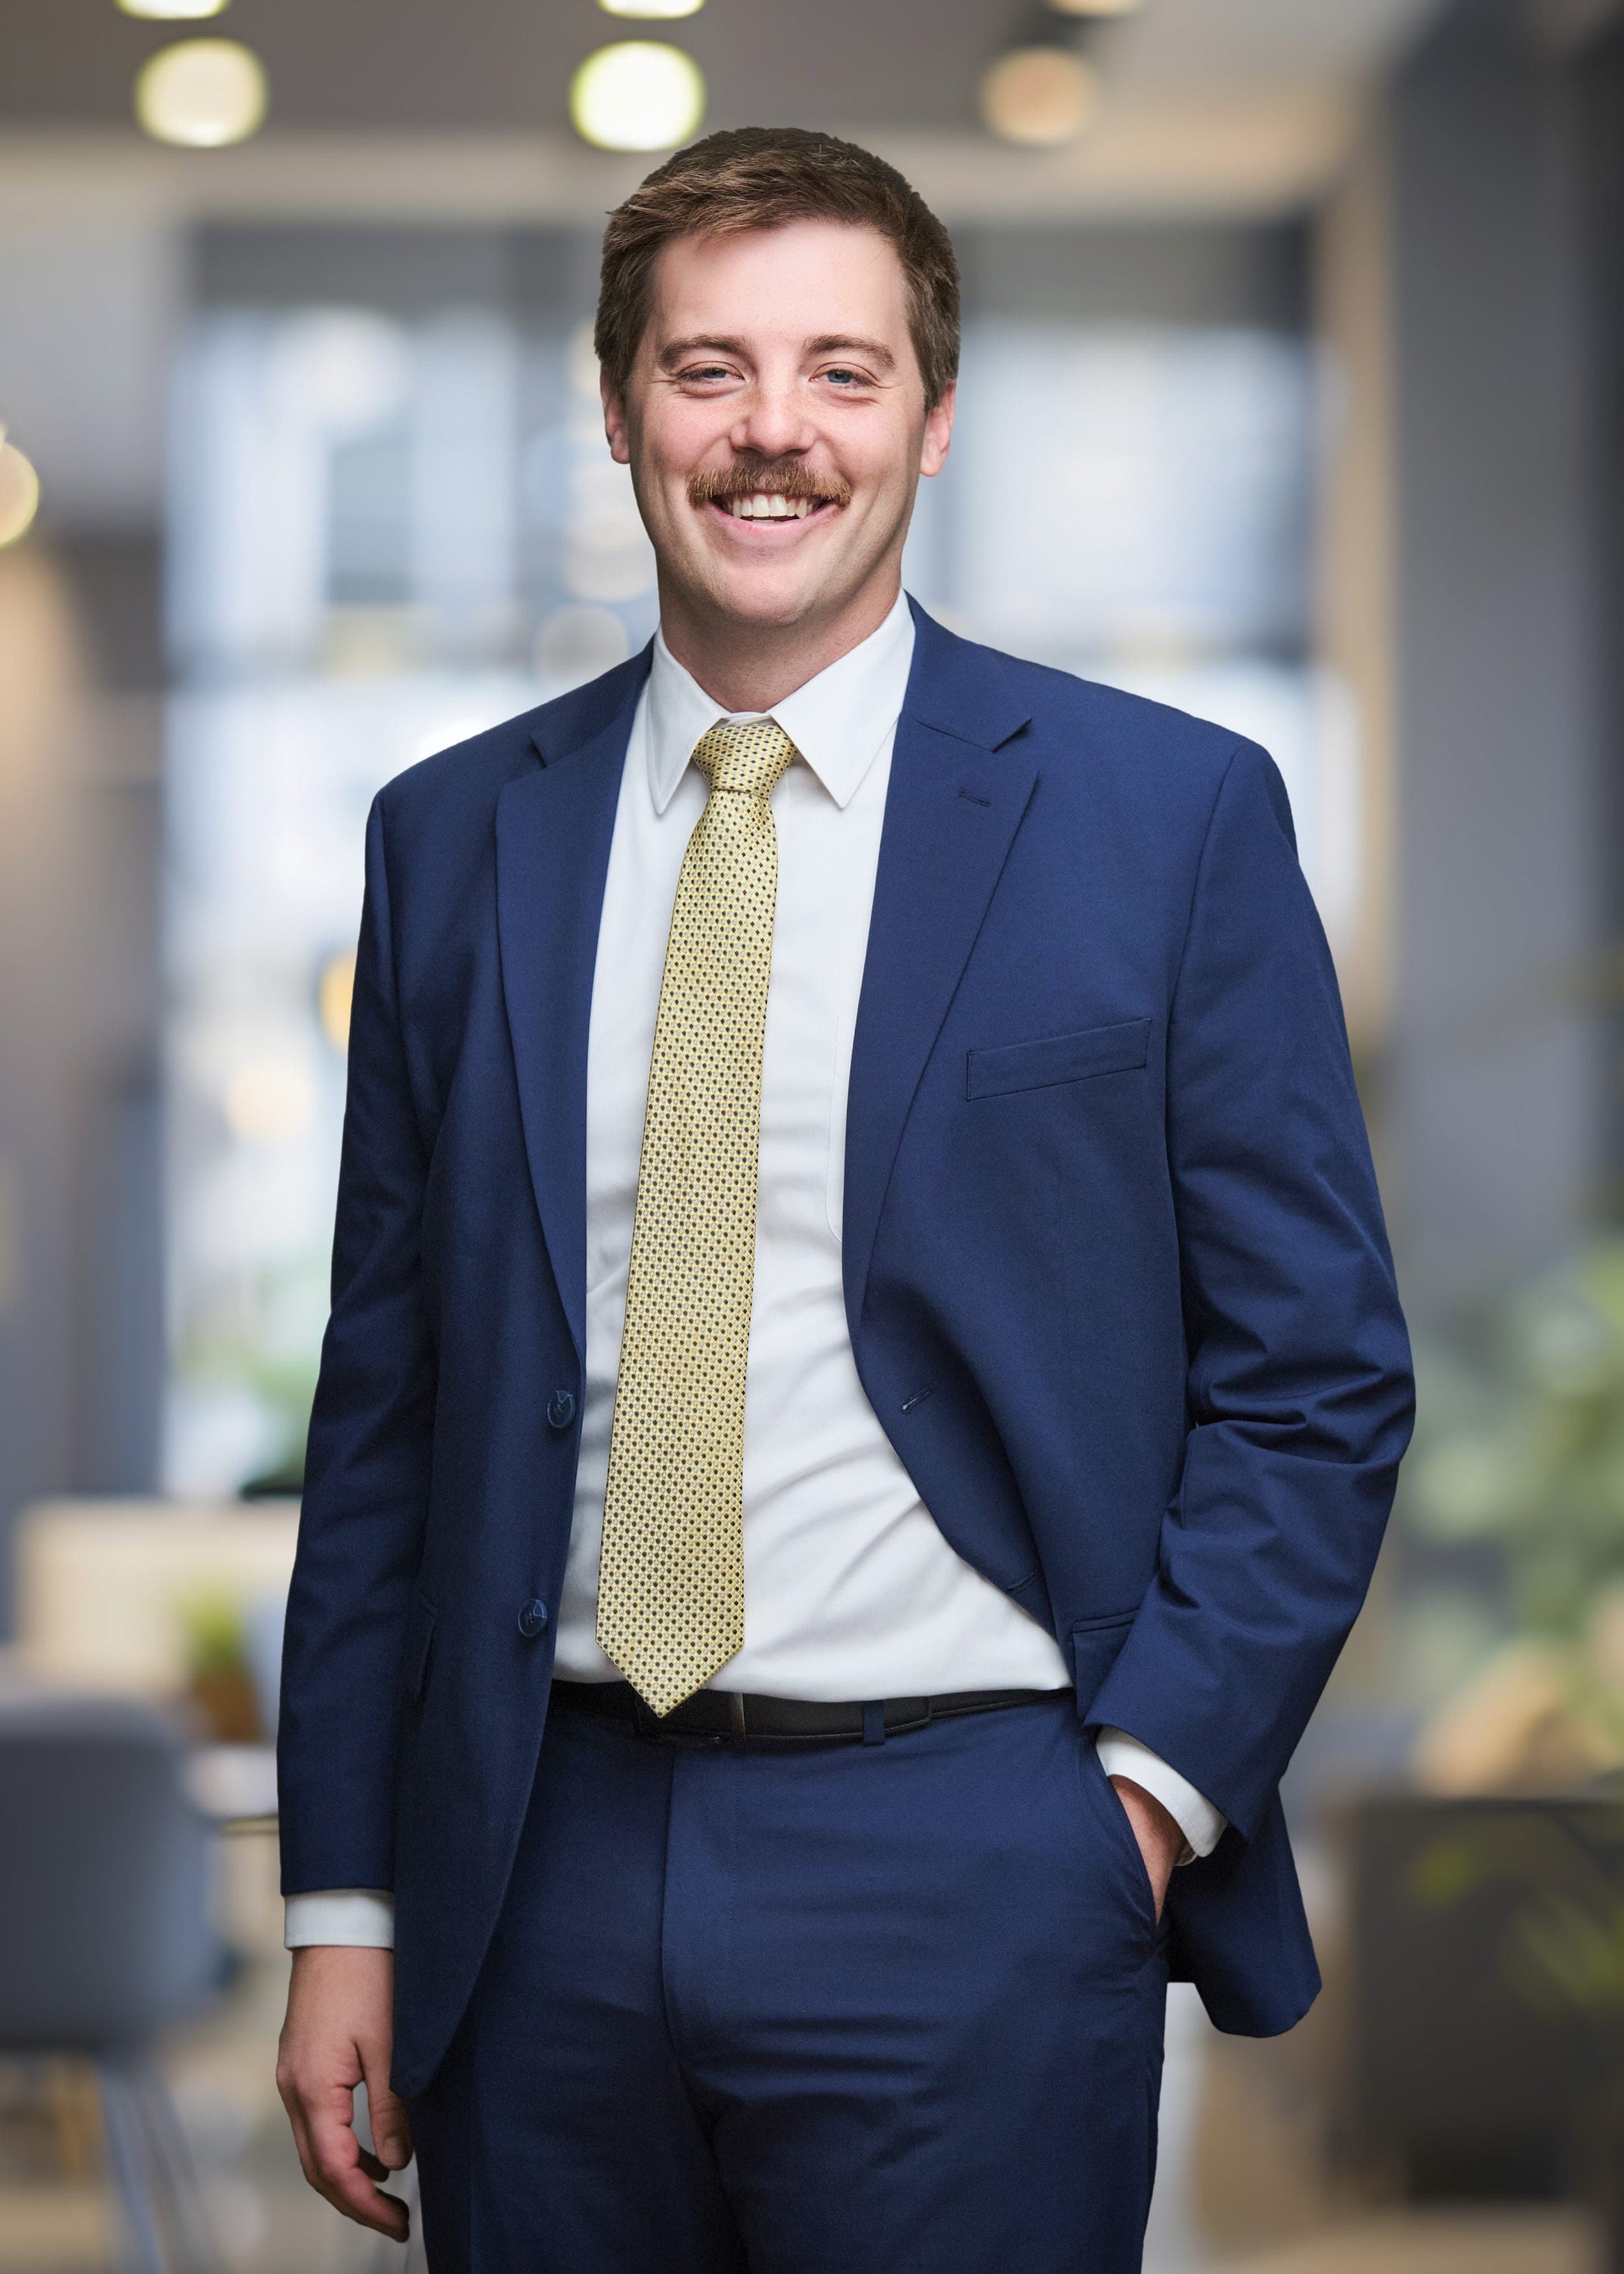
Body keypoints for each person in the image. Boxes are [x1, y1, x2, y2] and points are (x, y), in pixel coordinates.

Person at [274, 126, 1413, 2274]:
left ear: (932, 414)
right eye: (707, 368)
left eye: (839, 370)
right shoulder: (454, 840)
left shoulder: (1163, 817)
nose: (770, 430)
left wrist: (1139, 1796)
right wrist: (345, 1902)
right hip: (539, 1860)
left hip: (976, 1846)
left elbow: (1315, 1375)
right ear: (619, 407)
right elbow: (387, 1418)